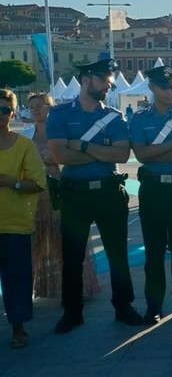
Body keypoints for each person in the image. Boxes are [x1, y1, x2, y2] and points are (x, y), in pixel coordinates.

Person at [47, 59, 144, 333]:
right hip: (75, 194)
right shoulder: (60, 114)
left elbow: (121, 155)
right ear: (86, 80)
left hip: (108, 192)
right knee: (72, 256)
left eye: (109, 82)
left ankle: (123, 306)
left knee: (117, 254)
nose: (108, 86)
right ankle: (72, 312)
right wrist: (102, 151)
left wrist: (83, 145)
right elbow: (60, 155)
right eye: (103, 81)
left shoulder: (114, 116)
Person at [130, 65, 172, 325]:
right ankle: (154, 305)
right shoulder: (140, 118)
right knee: (154, 251)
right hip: (153, 189)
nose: (170, 91)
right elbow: (141, 155)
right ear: (152, 87)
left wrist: (158, 151)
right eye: (164, 87)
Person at [24, 93, 101, 300]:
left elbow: (69, 158)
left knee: (64, 238)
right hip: (35, 192)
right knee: (35, 240)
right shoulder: (26, 134)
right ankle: (31, 288)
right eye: (31, 107)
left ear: (50, 108)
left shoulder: (60, 131)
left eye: (40, 106)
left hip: (59, 189)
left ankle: (77, 287)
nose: (35, 110)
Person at [0, 89, 46, 348]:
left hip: (14, 223)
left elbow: (38, 183)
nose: (0, 114)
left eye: (4, 110)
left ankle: (18, 327)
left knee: (16, 279)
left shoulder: (24, 146)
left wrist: (12, 182)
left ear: (13, 113)